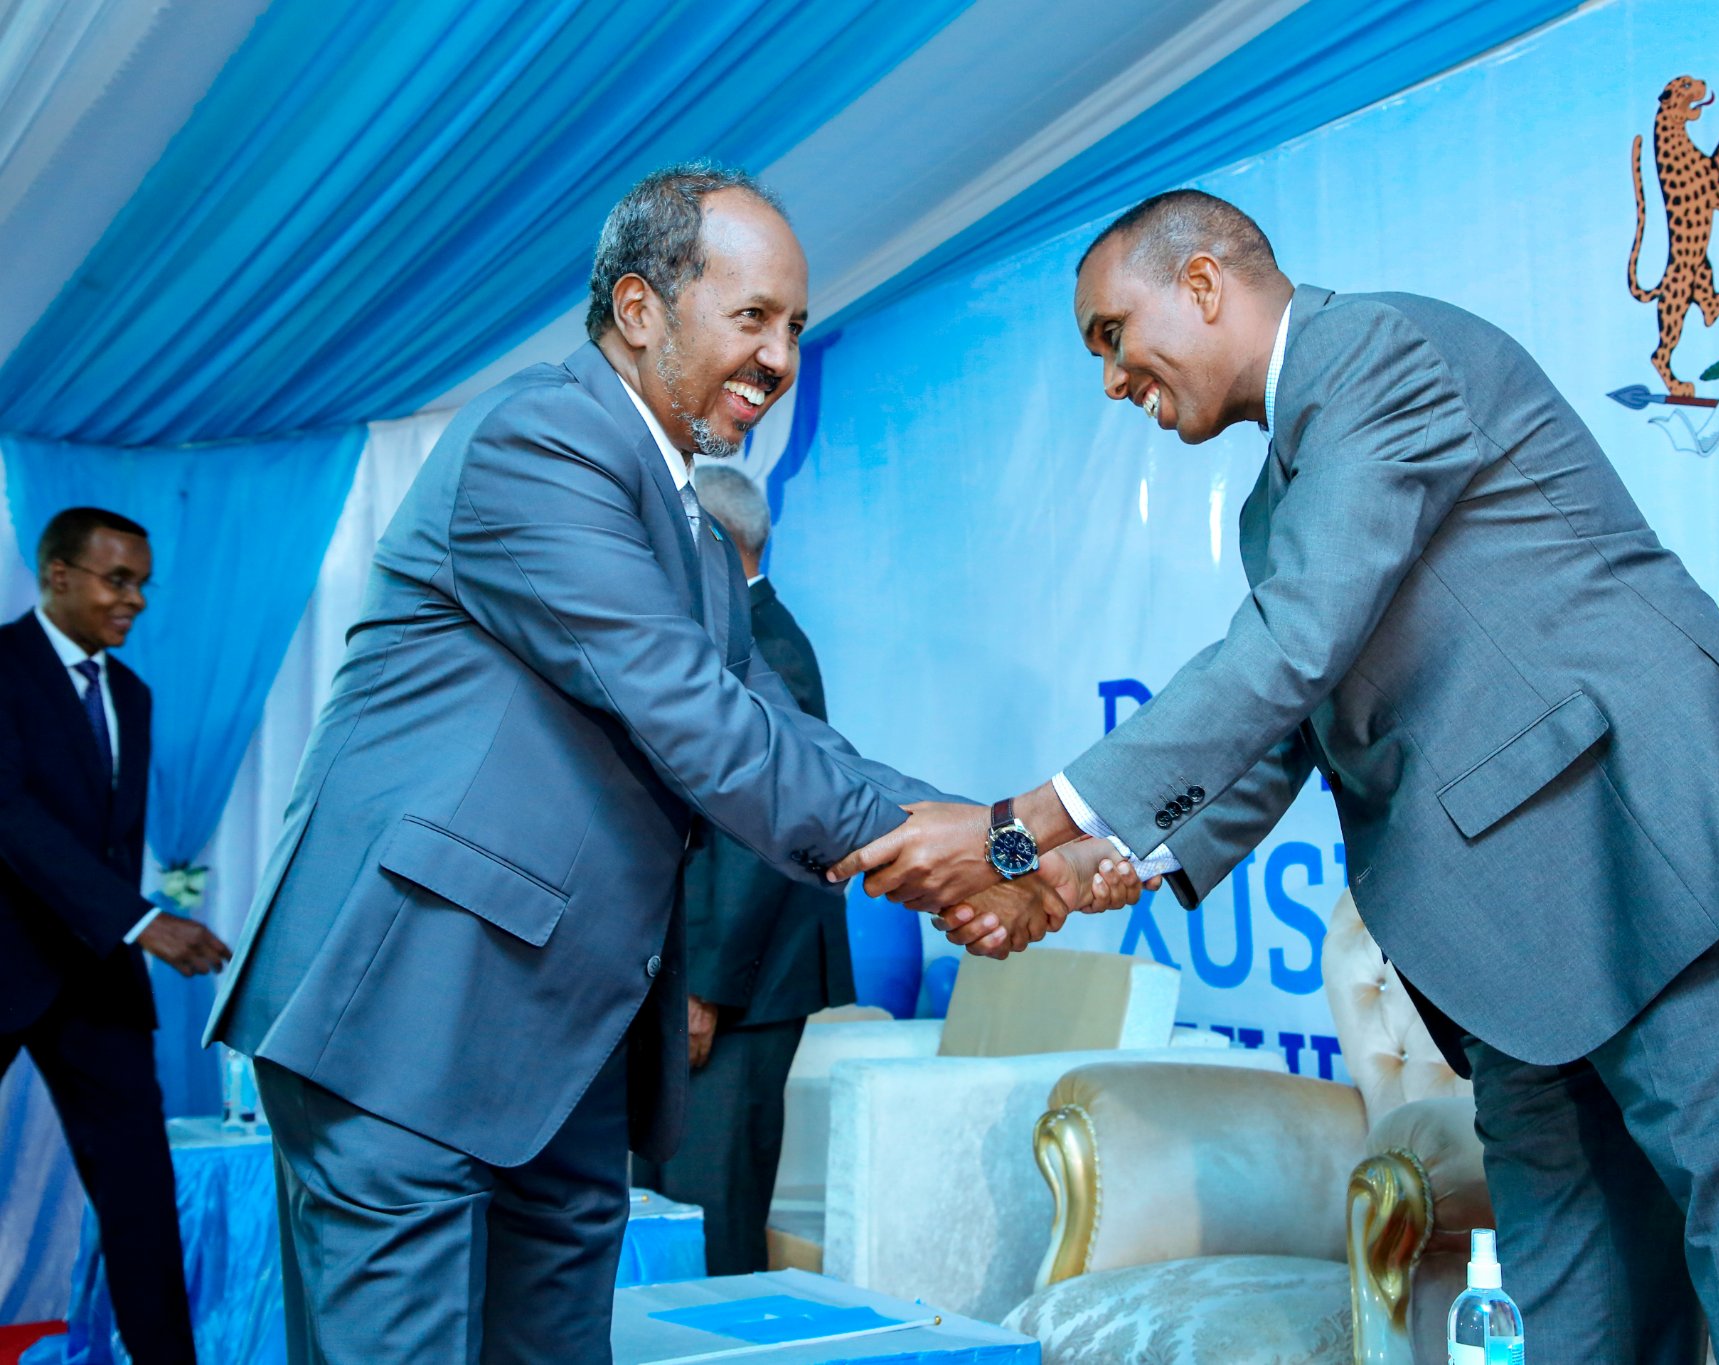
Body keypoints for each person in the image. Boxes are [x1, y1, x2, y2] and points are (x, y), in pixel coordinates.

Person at [833, 190, 1719, 1364]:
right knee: (1578, 1326)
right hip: (1516, 963)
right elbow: (1294, 715)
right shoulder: (1280, 503)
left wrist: (1013, 830)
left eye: (1111, 333)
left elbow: (1292, 645)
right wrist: (1084, 866)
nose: (1109, 379)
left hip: (1669, 871)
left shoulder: (1370, 351)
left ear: (1201, 284)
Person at [201, 163, 1140, 1364]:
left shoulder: (691, 526)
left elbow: (784, 731)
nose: (779, 357)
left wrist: (1018, 840)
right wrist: (997, 847)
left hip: (566, 1041)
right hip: (413, 1014)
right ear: (639, 308)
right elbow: (694, 718)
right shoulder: (539, 440)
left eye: (794, 326)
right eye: (753, 317)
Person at [0, 507, 232, 1365]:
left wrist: (125, 928)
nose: (135, 599)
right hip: (10, 962)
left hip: (96, 975)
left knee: (141, 1196)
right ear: (56, 574)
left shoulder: (131, 693)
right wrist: (142, 921)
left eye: (142, 583)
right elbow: (9, 816)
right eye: (117, 579)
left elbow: (105, 842)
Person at [636, 464, 847, 1273]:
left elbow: (769, 835)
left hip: (737, 990)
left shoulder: (771, 648)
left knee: (712, 1210)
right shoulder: (723, 638)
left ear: (713, 543)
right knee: (662, 1205)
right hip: (696, 978)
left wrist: (704, 989)